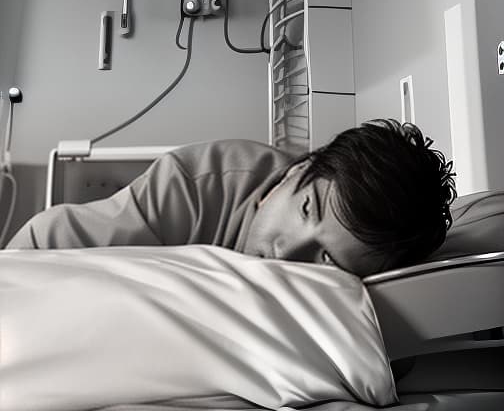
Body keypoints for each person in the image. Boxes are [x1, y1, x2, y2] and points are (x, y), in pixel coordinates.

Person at [6, 119, 456, 277]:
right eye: (305, 211)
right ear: (297, 172)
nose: (286, 253)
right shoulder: (198, 185)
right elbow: (42, 243)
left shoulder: (370, 276)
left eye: (329, 260)